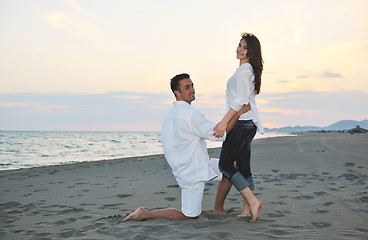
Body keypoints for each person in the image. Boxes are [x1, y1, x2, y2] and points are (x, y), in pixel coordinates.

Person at [122, 73, 250, 222]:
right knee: (189, 215)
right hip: (191, 172)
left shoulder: (170, 116)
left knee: (230, 168)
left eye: (192, 85)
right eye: (187, 87)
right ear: (177, 93)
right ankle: (144, 214)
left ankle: (218, 209)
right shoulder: (190, 114)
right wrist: (238, 113)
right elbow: (218, 134)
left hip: (193, 164)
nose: (192, 90)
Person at [213, 32, 264, 223]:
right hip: (248, 123)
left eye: (245, 48)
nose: (240, 49)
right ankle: (247, 209)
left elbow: (241, 100)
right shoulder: (247, 70)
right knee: (244, 168)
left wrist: (224, 122)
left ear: (252, 52)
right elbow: (244, 101)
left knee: (225, 165)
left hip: (241, 124)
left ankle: (252, 202)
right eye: (240, 45)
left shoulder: (244, 71)